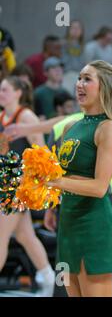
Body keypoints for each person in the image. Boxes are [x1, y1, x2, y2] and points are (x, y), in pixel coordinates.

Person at [45, 60, 112, 297]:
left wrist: (55, 183)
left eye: (87, 79)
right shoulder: (71, 126)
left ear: (105, 87)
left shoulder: (109, 128)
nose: (79, 84)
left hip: (94, 223)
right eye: (79, 78)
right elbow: (62, 173)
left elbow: (100, 187)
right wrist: (51, 203)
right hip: (68, 220)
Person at [0, 76, 55, 297]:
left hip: (18, 184)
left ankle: (49, 279)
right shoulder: (2, 115)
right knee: (24, 235)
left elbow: (41, 154)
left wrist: (36, 186)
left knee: (0, 235)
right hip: (5, 179)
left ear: (18, 93)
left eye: (4, 90)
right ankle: (49, 278)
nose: (1, 93)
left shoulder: (27, 116)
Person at [61, 20, 85, 95]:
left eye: (78, 28)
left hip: (80, 77)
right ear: (68, 30)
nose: (75, 30)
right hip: (66, 75)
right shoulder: (62, 44)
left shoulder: (84, 46)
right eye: (73, 28)